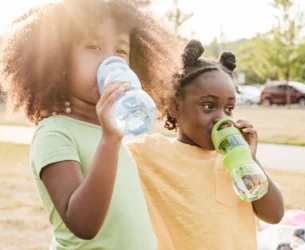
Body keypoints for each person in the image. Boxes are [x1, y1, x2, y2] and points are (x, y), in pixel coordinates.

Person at [0, 0, 180, 249]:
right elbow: (83, 224)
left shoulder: (107, 131)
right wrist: (110, 141)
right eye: (93, 46)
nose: (110, 61)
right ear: (60, 60)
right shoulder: (55, 133)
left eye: (120, 51)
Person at [127, 40, 285, 250]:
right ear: (174, 106)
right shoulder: (149, 153)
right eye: (209, 106)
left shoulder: (235, 161)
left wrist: (250, 160)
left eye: (229, 108)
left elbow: (274, 215)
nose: (222, 118)